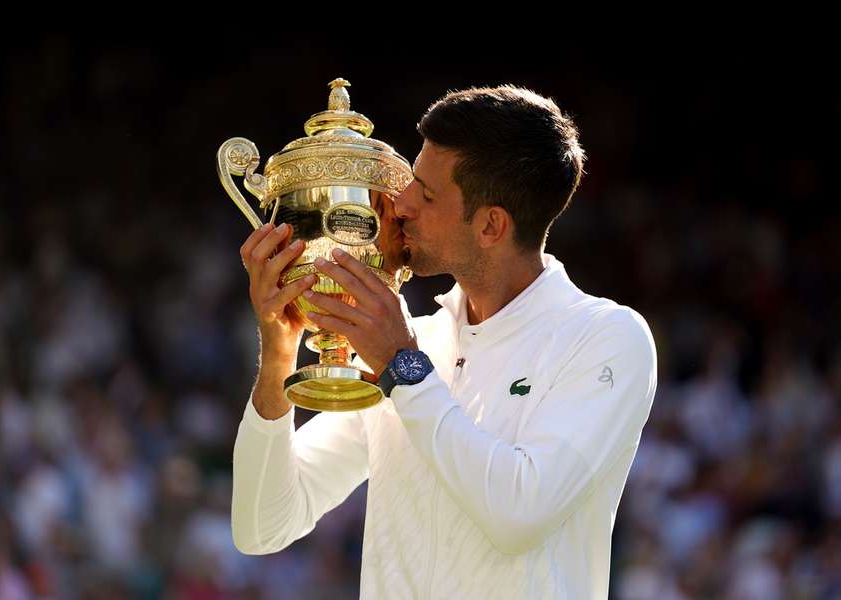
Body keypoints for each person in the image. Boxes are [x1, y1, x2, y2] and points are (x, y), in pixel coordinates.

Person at [232, 85, 657, 599]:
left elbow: (518, 516)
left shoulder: (606, 340)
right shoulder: (415, 345)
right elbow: (262, 525)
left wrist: (403, 366)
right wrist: (279, 353)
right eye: (412, 181)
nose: (401, 204)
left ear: (491, 225)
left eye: (427, 194)